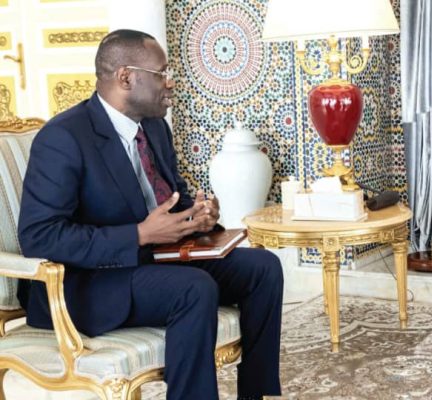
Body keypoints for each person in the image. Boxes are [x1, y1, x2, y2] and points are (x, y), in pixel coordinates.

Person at [17, 29, 283, 399]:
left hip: (155, 260)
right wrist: (140, 234)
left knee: (264, 267)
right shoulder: (64, 138)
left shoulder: (154, 127)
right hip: (90, 282)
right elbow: (39, 236)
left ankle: (257, 394)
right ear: (126, 77)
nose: (170, 83)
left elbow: (173, 199)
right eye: (162, 73)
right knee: (194, 288)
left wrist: (197, 216)